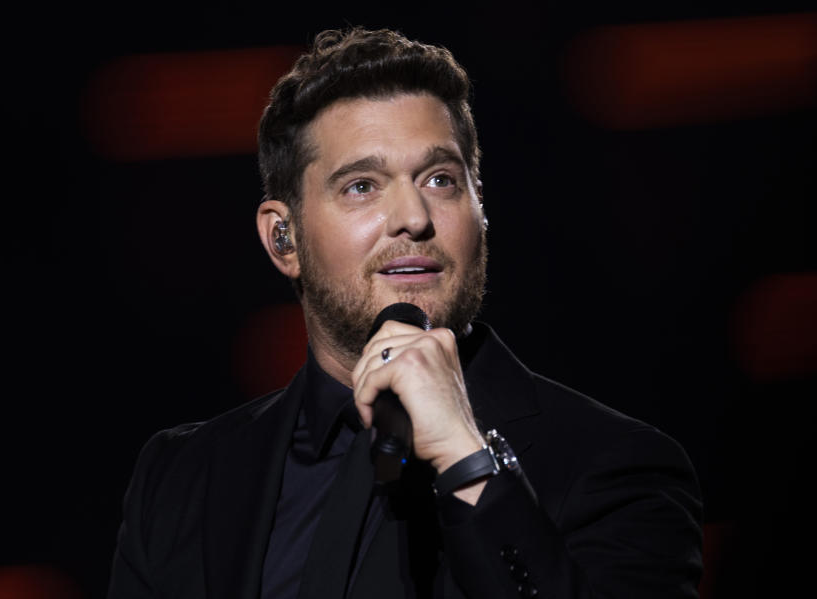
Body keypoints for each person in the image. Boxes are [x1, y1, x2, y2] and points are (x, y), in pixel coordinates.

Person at [107, 28, 703, 599]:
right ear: (283, 239)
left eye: (440, 179)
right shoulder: (182, 477)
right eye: (362, 186)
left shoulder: (613, 465)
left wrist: (467, 462)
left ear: (480, 211)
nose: (413, 217)